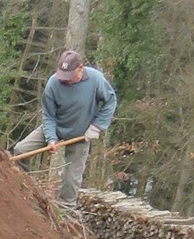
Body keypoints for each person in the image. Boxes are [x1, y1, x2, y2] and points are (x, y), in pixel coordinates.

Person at [13, 47, 118, 208]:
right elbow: (48, 115)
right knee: (20, 151)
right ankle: (25, 192)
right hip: (56, 126)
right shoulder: (53, 84)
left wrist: (97, 126)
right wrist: (51, 138)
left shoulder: (96, 80)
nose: (65, 80)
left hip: (81, 134)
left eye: (69, 77)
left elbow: (110, 102)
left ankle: (66, 212)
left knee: (70, 180)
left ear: (80, 69)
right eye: (63, 76)